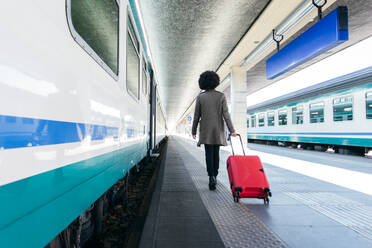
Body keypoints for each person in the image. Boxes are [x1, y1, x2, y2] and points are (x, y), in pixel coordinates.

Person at [191, 71, 237, 190]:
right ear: (215, 82)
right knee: (216, 154)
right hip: (218, 130)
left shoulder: (200, 97)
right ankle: (215, 176)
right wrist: (232, 130)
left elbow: (197, 116)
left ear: (202, 82)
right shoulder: (221, 96)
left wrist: (194, 131)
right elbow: (226, 115)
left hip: (206, 130)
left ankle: (210, 176)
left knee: (208, 154)